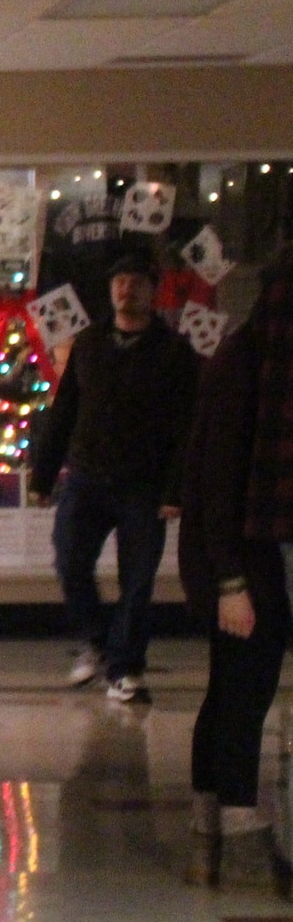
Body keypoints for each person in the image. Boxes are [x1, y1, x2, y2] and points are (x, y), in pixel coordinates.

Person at [28, 246, 201, 704]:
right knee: (70, 560)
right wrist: (43, 476)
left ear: (152, 292)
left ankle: (125, 667)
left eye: (136, 283)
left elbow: (186, 426)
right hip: (86, 476)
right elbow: (65, 411)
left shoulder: (174, 352)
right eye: (119, 283)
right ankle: (100, 642)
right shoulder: (89, 344)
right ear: (110, 291)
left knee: (137, 578)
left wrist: (175, 489)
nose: (126, 291)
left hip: (144, 482)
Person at [176, 270, 293, 890]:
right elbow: (218, 479)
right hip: (244, 560)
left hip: (249, 556)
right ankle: (240, 837)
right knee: (242, 696)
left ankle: (209, 840)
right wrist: (229, 580)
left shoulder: (255, 358)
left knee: (232, 691)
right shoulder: (249, 363)